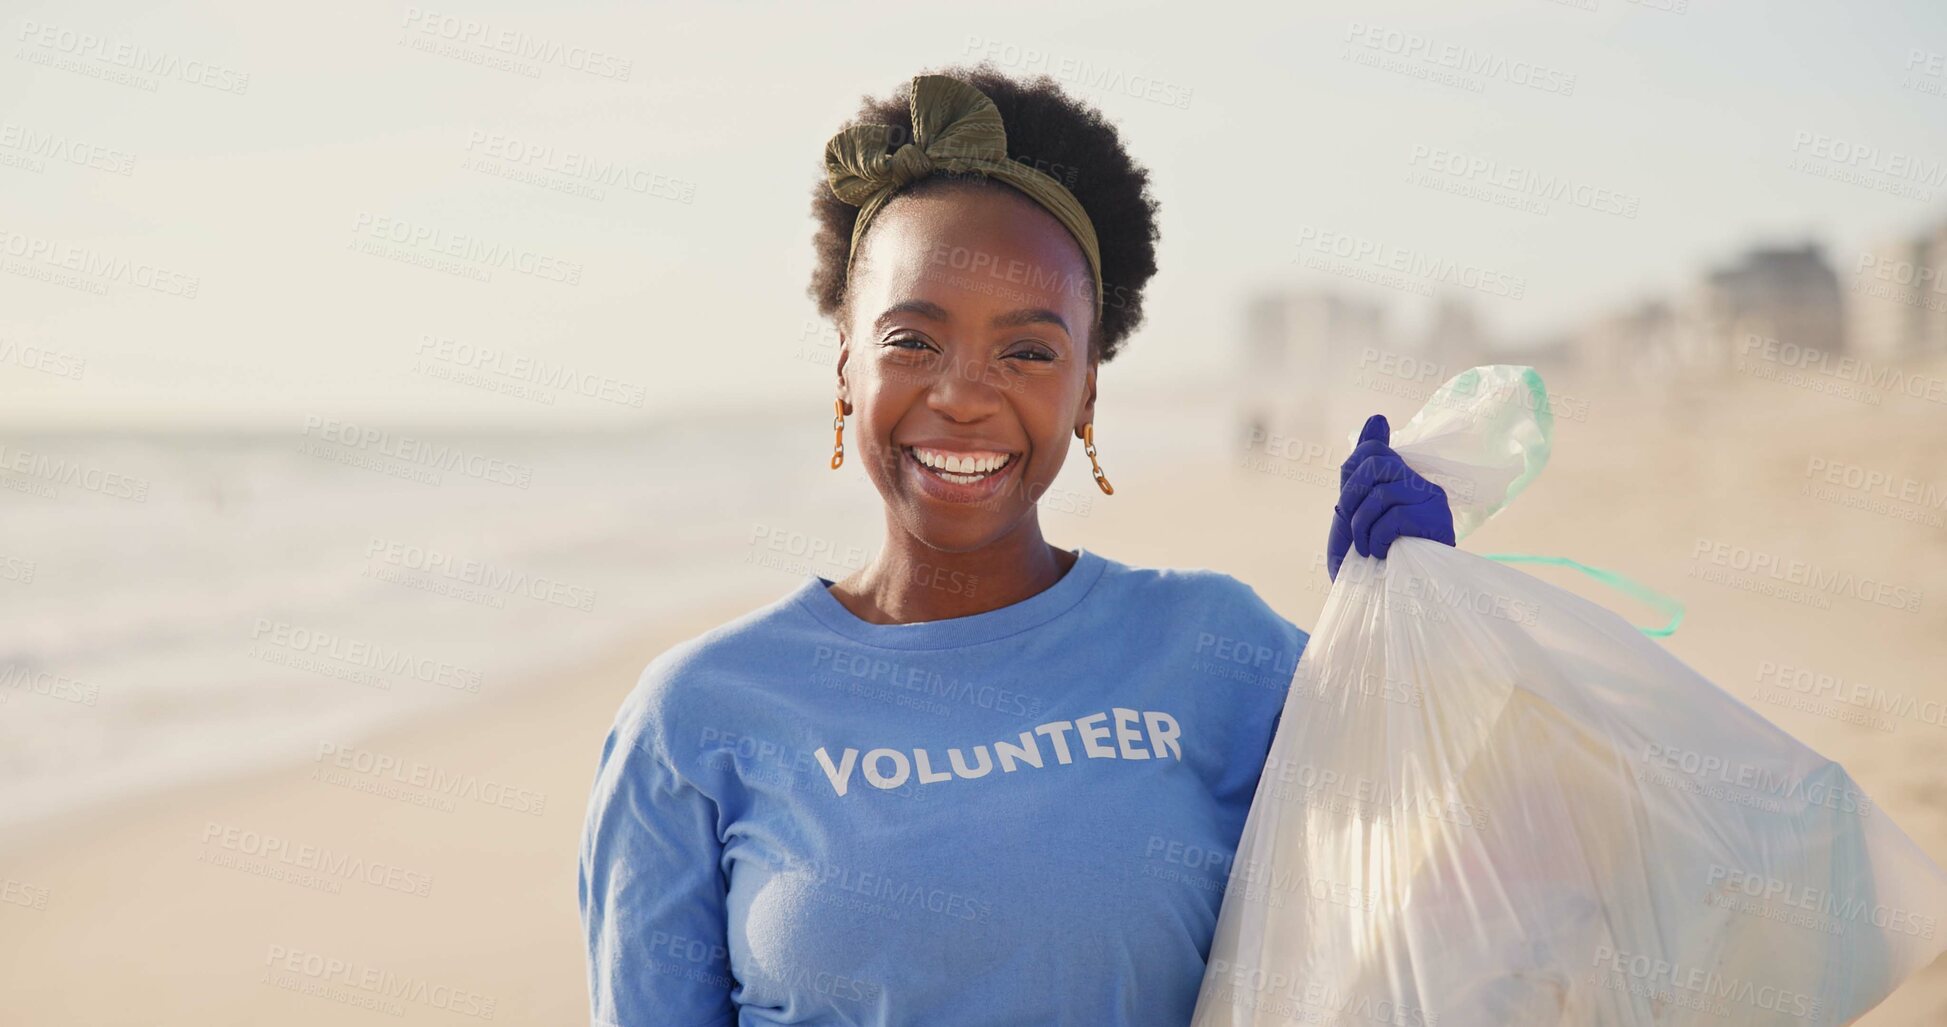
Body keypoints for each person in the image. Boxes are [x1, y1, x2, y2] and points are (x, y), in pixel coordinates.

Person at [578, 65, 1454, 1027]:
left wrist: (1420, 627)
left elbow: (1464, 868)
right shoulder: (696, 717)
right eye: (912, 339)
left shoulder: (1216, 648)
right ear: (845, 366)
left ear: (1085, 390)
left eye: (1028, 351)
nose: (962, 393)